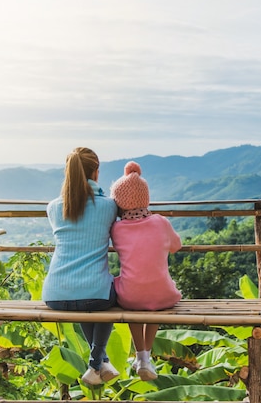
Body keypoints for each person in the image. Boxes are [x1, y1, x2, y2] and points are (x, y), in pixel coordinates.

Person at [42, 147, 120, 386]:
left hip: (56, 294)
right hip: (95, 296)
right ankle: (96, 363)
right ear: (96, 172)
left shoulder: (54, 207)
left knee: (85, 297)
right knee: (111, 293)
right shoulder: (109, 206)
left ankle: (101, 363)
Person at [109, 161, 182, 381]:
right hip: (163, 295)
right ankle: (146, 357)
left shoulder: (117, 228)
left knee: (132, 294)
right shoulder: (160, 222)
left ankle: (140, 355)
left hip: (130, 296)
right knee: (154, 296)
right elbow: (176, 246)